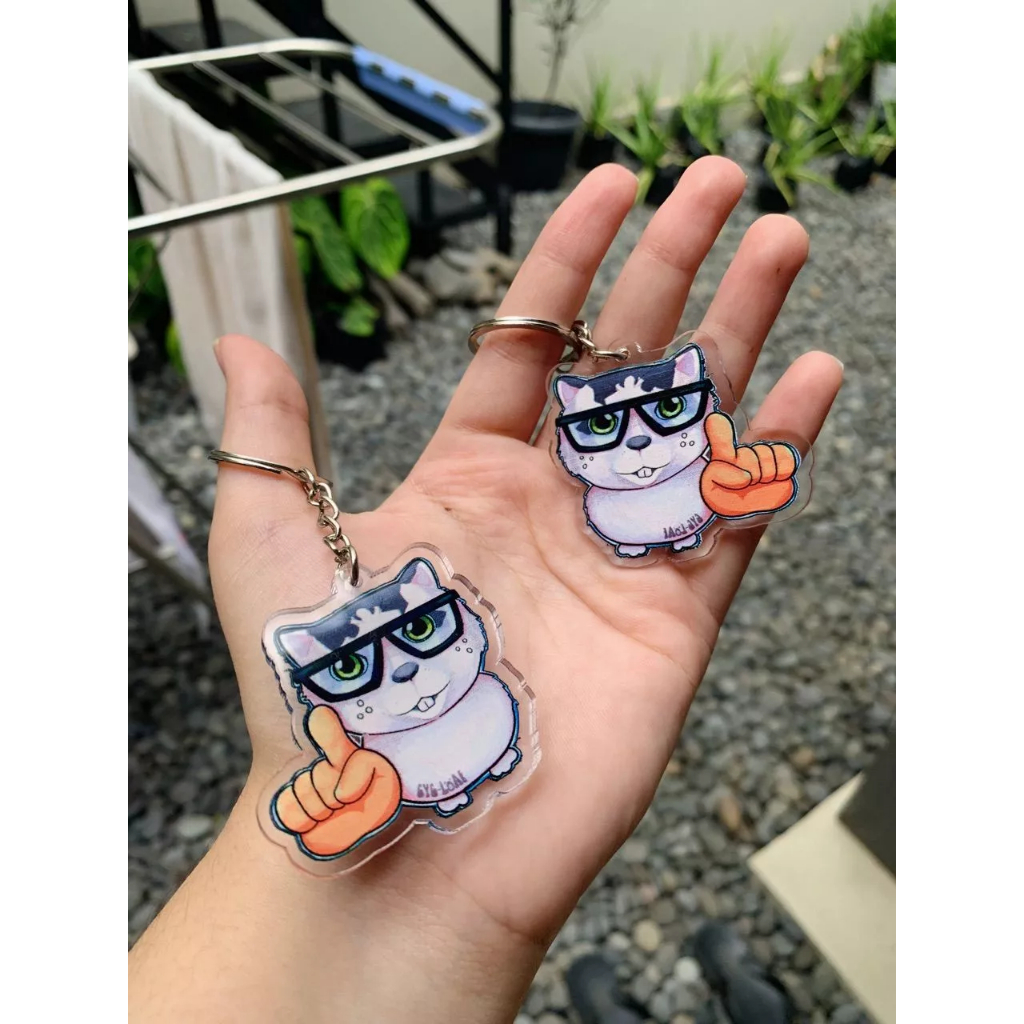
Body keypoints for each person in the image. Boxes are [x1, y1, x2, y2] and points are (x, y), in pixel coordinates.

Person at [128, 157, 842, 1023]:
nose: (404, 669)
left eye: (663, 415)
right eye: (352, 670)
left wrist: (718, 483)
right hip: (399, 803)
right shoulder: (353, 711)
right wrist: (331, 823)